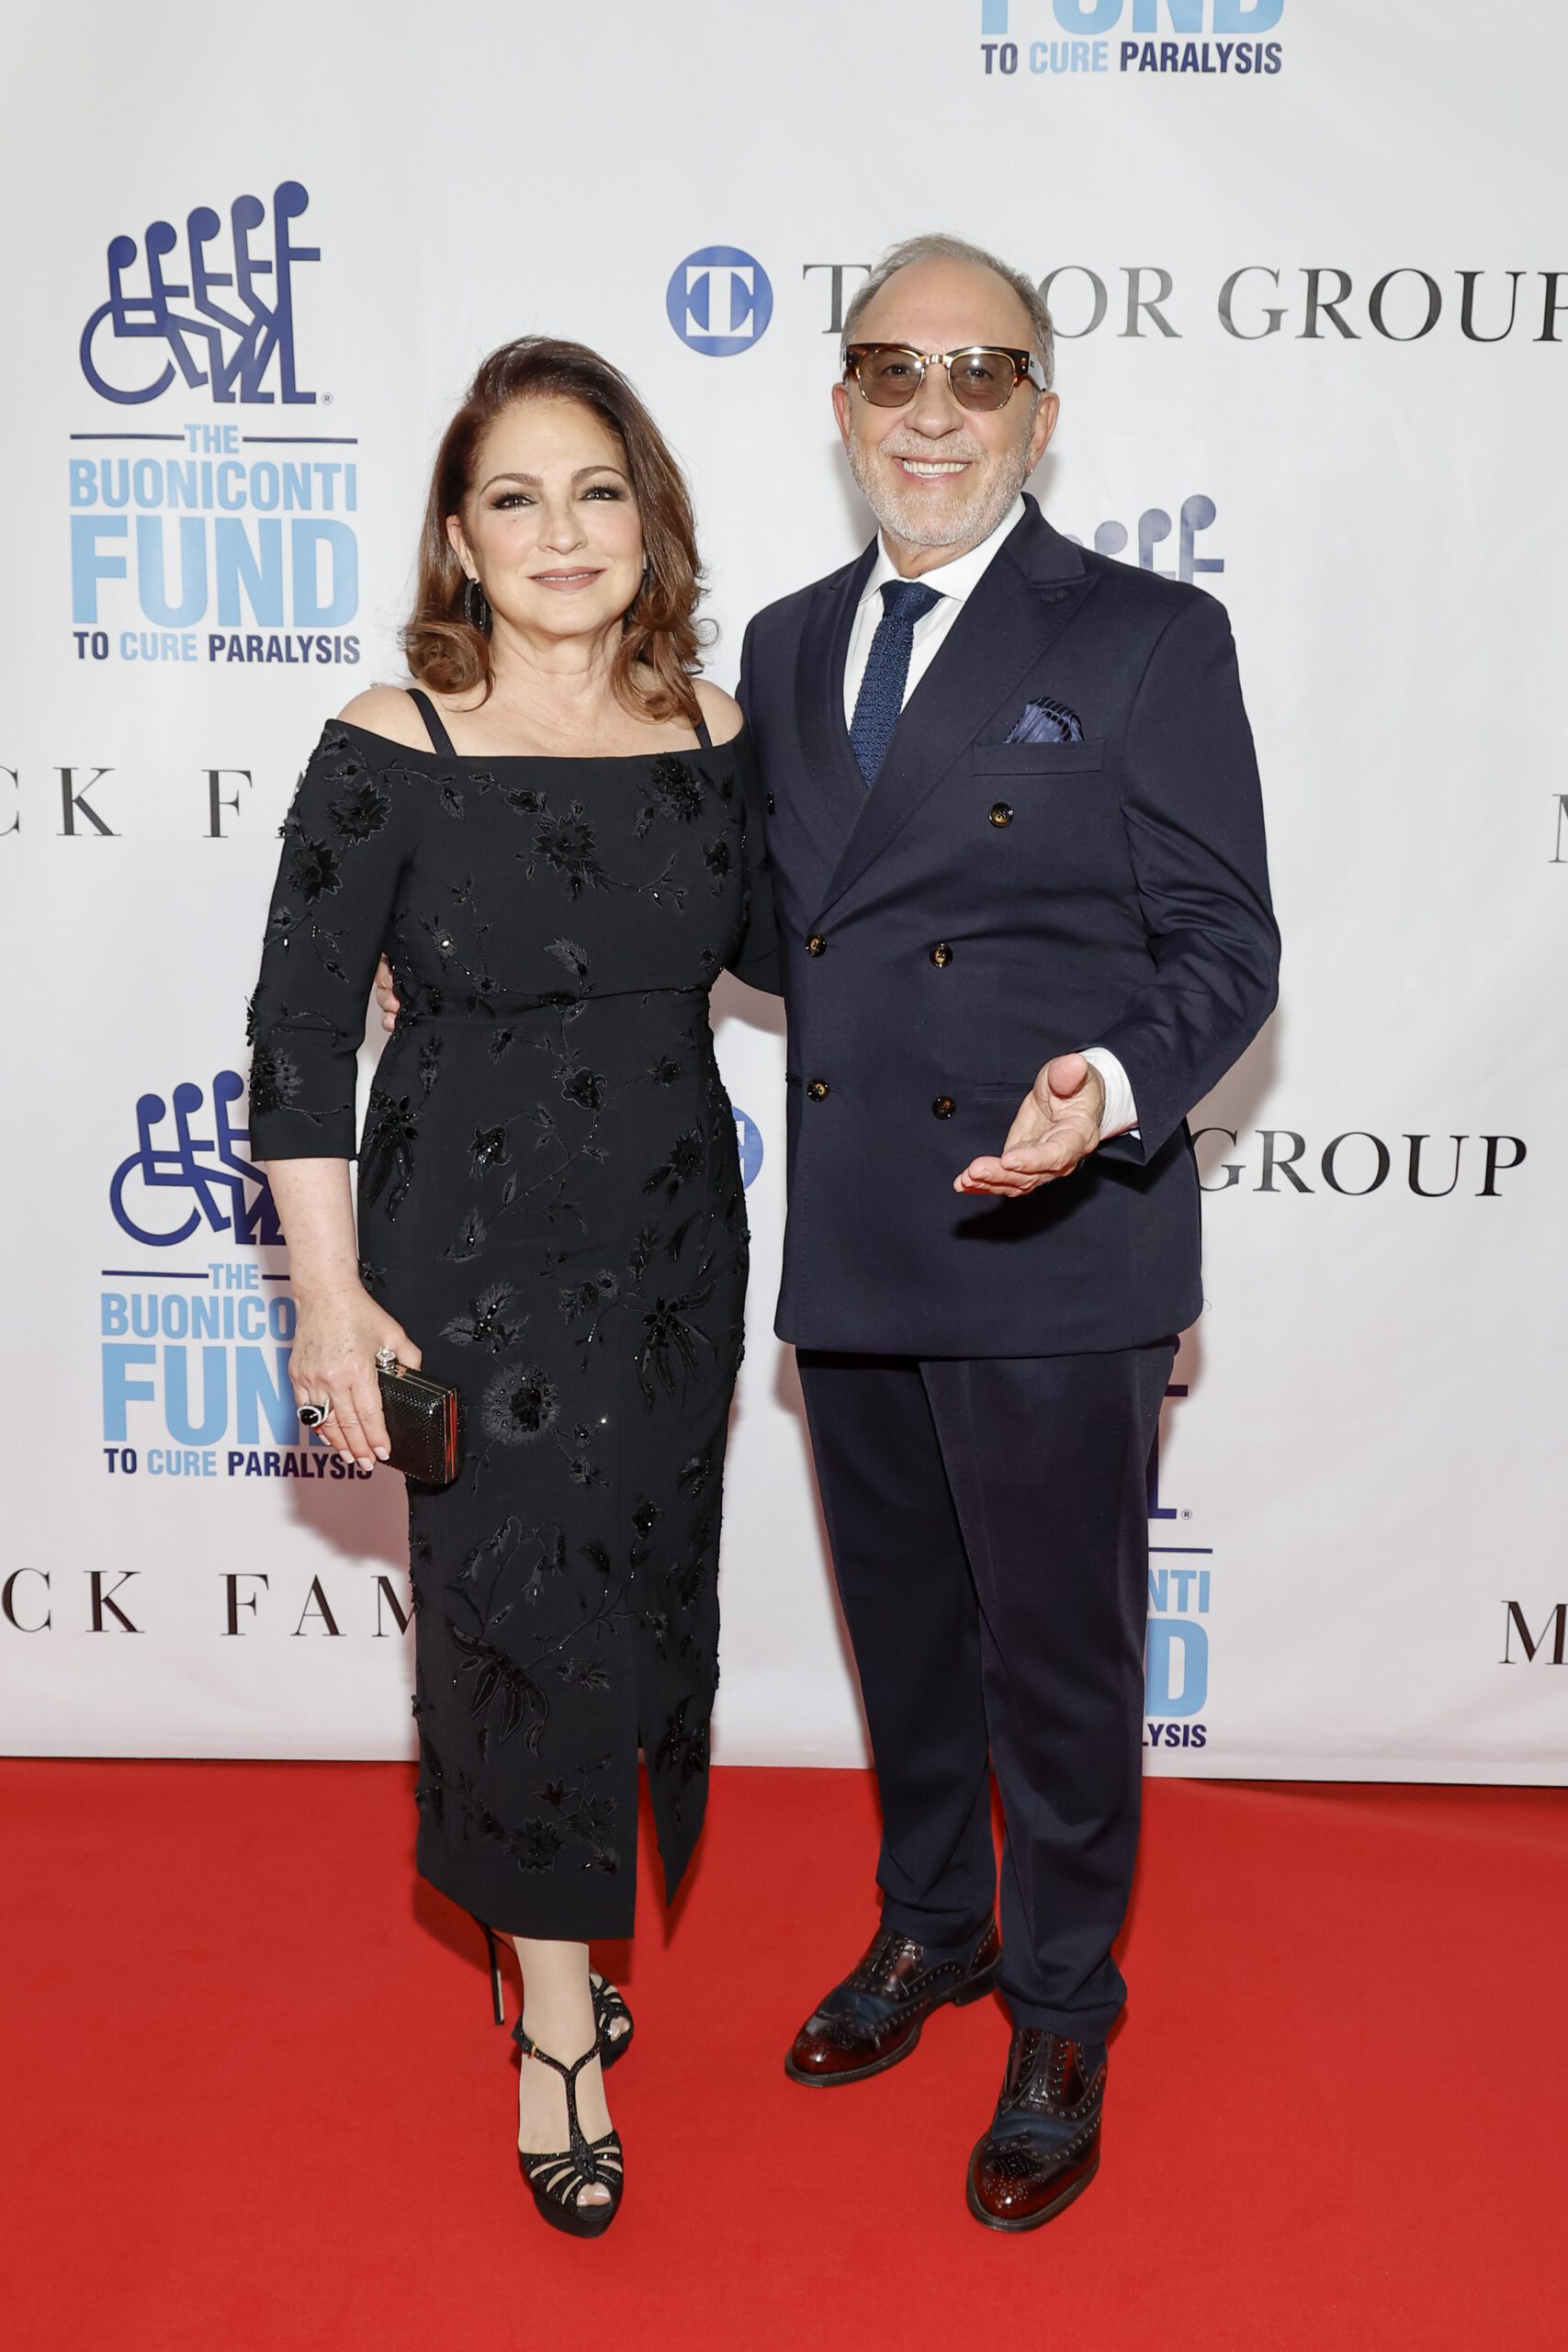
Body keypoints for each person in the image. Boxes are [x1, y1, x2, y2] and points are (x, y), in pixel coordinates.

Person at [739, 232, 1279, 2230]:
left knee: (1056, 1660)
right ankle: (931, 1926)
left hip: (1057, 1245)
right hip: (862, 1236)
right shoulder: (787, 644)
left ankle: (1059, 2000)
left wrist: (1111, 1092)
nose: (935, 408)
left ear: (1040, 413)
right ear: (843, 407)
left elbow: (1228, 941)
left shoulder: (1144, 634)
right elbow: (756, 917)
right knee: (906, 1639)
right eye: (894, 369)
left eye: (982, 371)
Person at [247, 336, 778, 2237]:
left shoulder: (723, 737)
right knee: (520, 1614)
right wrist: (322, 1295)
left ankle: (540, 1929)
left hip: (668, 1252)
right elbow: (299, 1034)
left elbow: (828, 961)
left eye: (596, 490)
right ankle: (558, 2011)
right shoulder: (398, 739)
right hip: (460, 1260)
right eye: (514, 497)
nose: (561, 530)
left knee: (630, 1599)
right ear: (457, 543)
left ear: (650, 520)